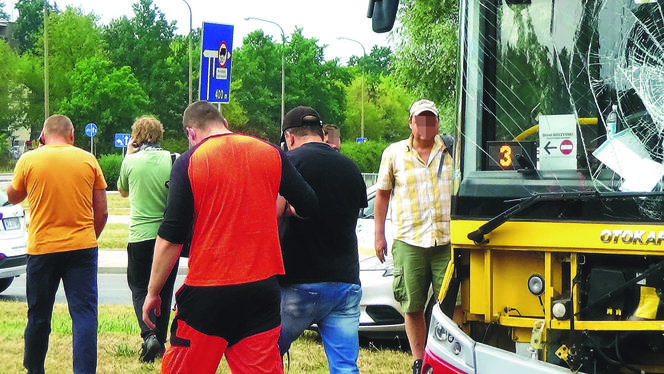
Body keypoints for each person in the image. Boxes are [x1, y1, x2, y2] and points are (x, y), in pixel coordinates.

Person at [141, 100, 318, 374]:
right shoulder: (270, 152)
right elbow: (308, 204)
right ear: (225, 124)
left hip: (208, 293)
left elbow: (171, 237)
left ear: (191, 133)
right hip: (261, 291)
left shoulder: (190, 161)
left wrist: (153, 292)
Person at [7, 114, 108, 374]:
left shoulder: (29, 160)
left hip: (42, 249)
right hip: (82, 248)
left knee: (39, 314)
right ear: (72, 135)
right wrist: (88, 237)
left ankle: (35, 369)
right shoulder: (88, 159)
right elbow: (102, 212)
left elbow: (13, 196)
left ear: (43, 135)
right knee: (84, 315)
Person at [278, 107, 367, 373]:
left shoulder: (289, 163)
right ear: (320, 133)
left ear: (289, 137)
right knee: (345, 367)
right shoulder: (351, 167)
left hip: (297, 281)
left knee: (265, 355)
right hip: (345, 282)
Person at [374, 99, 452, 374]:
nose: (426, 124)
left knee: (452, 303)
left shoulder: (451, 151)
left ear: (437, 123)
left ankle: (449, 358)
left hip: (446, 241)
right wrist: (379, 236)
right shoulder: (394, 153)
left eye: (431, 118)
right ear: (411, 123)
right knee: (412, 303)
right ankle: (419, 359)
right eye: (420, 119)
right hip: (409, 239)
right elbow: (382, 195)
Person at [117, 116, 178, 363]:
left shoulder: (131, 162)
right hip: (167, 236)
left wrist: (128, 154)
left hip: (140, 236)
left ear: (136, 136)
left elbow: (122, 191)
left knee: (140, 288)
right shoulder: (173, 159)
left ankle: (148, 336)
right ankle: (160, 344)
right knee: (164, 289)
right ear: (160, 134)